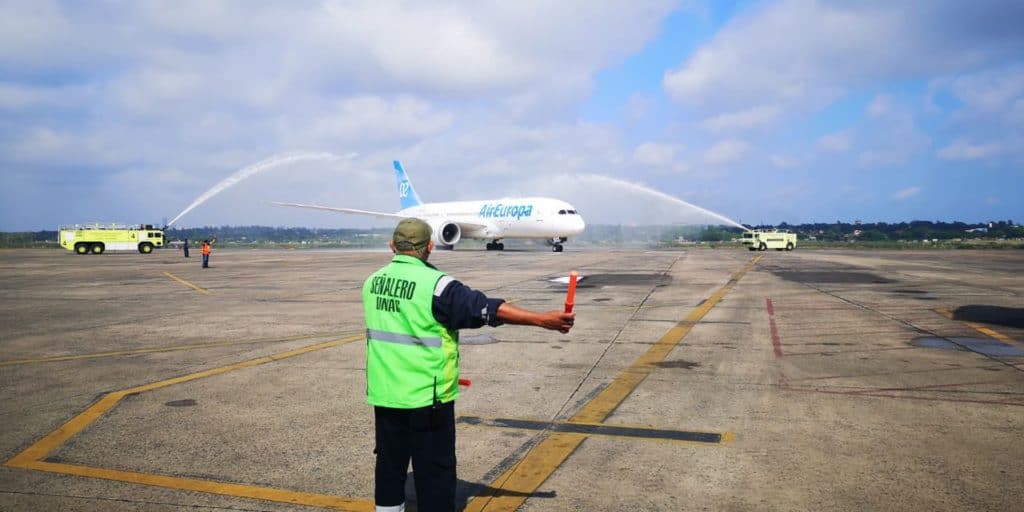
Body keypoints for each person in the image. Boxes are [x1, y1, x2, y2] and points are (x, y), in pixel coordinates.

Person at [363, 218, 575, 512]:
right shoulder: (438, 287)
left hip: (385, 396)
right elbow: (487, 309)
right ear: (430, 246)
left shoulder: (372, 282)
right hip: (428, 399)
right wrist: (542, 320)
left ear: (392, 246)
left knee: (389, 467)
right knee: (435, 475)